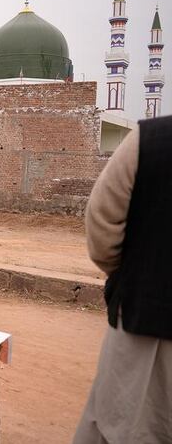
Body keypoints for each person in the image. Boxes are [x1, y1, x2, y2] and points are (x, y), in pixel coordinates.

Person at [73, 119, 172, 443]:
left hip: (143, 316)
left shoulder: (150, 141)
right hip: (142, 315)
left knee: (120, 423)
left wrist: (136, 277)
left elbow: (101, 225)